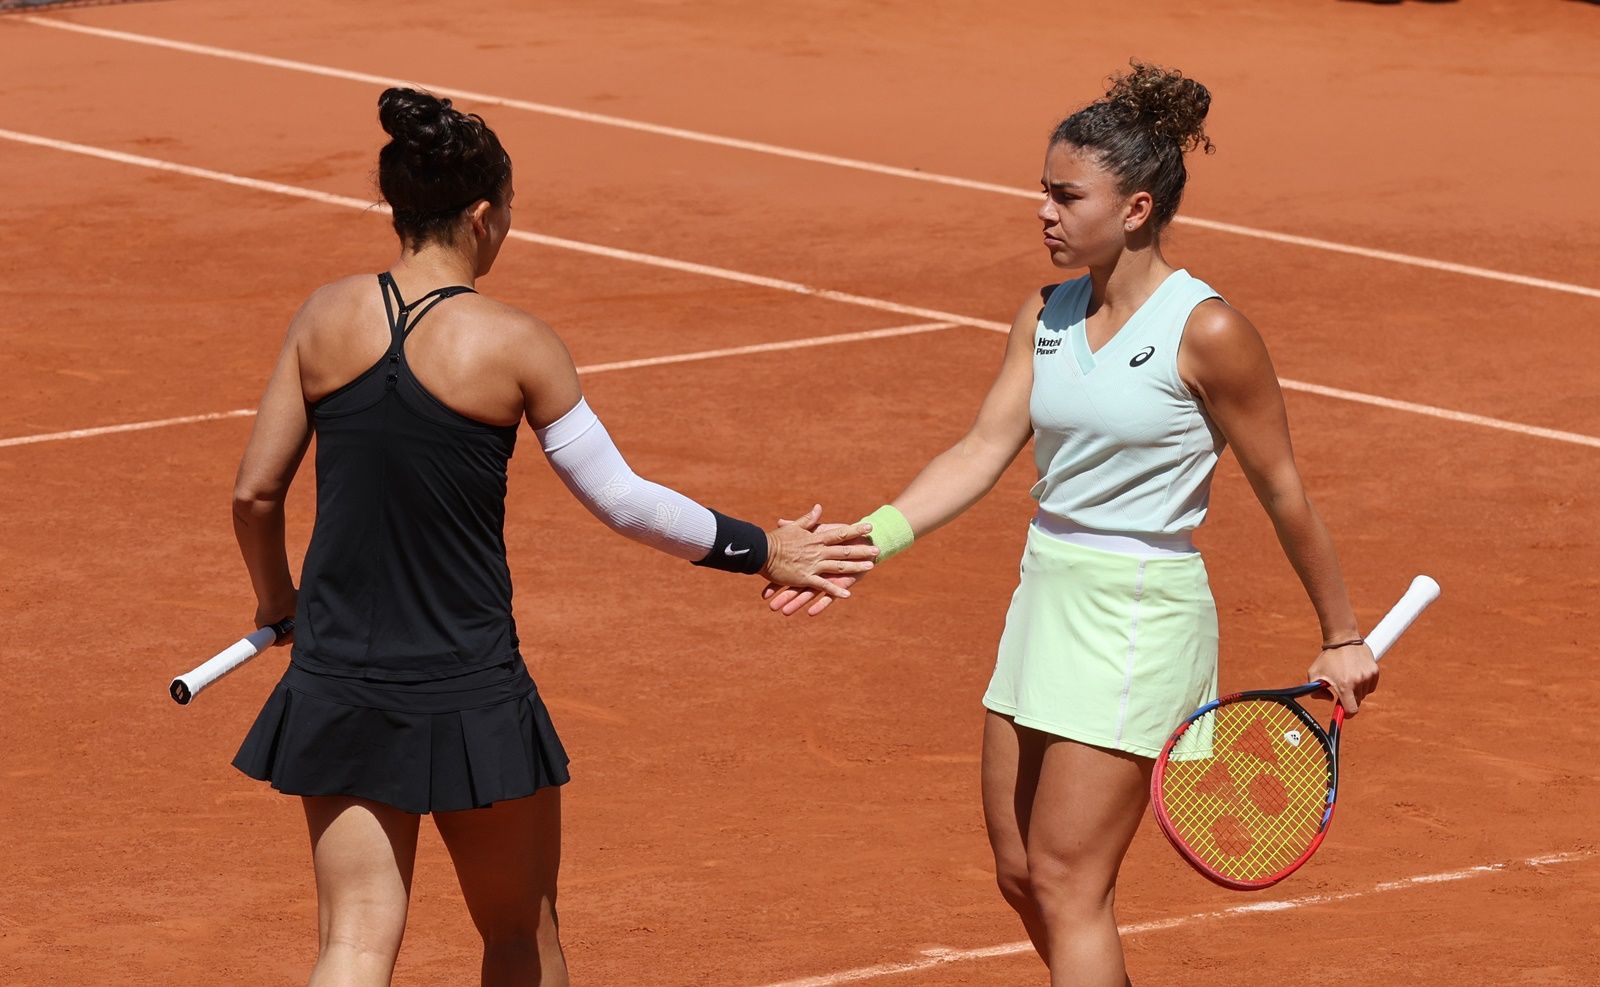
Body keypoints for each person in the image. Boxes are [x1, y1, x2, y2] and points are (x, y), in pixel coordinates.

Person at [228, 87, 876, 987]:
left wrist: (279, 601)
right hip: (469, 684)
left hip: (338, 674)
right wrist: (761, 549)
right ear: (484, 215)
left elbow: (255, 495)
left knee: (353, 943)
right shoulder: (516, 342)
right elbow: (623, 500)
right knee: (519, 937)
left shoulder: (322, 318)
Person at [765, 61, 1380, 986]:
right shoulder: (1044, 314)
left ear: (1135, 208)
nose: (1043, 212)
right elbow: (981, 448)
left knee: (1067, 877)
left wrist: (1341, 634)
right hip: (1044, 596)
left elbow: (1284, 488)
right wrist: (866, 539)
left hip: (1138, 614)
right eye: (1042, 193)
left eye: (1065, 195)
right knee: (1022, 871)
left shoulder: (1205, 330)